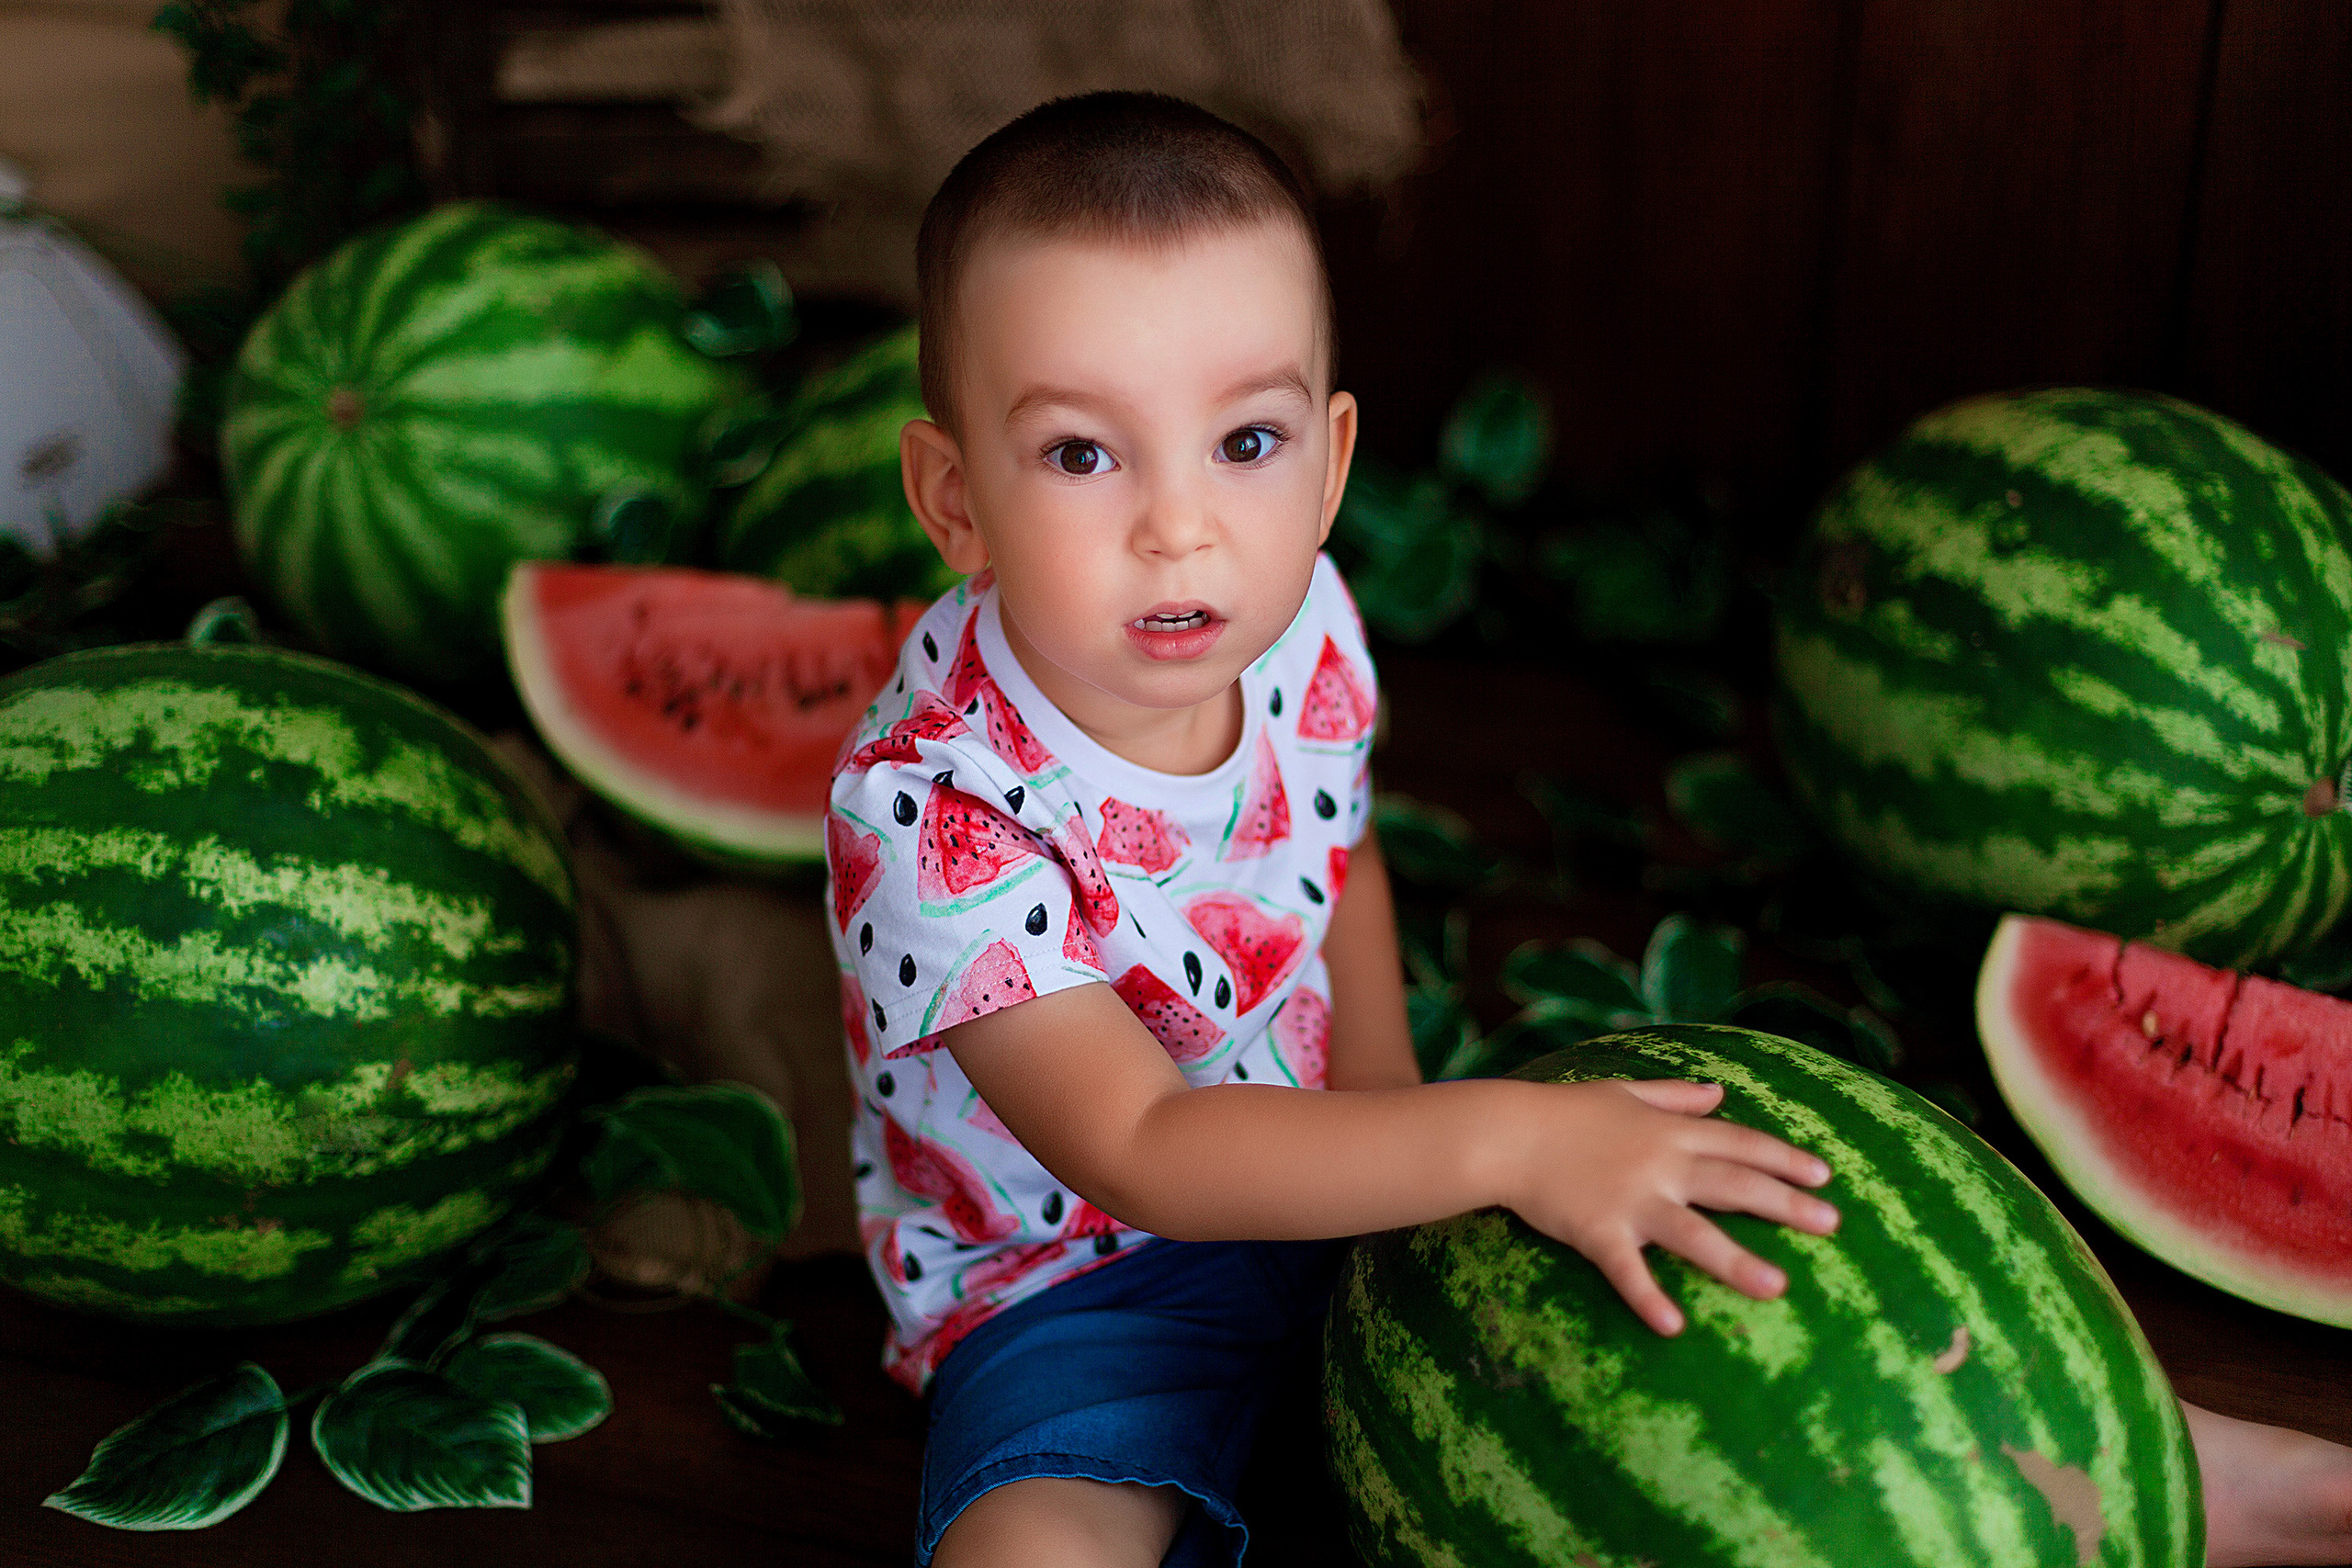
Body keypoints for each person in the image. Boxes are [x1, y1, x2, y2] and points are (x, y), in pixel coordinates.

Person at [826, 90, 2352, 1568]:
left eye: (1246, 443)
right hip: (1080, 1287)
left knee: (1718, 1311)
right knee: (1035, 1539)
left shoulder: (1293, 628)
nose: (1181, 525)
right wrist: (1492, 1136)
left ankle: (2148, 1466)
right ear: (952, 499)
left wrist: (1398, 1130)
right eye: (1083, 454)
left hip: (1357, 1157)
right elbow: (1146, 1148)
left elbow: (1331, 849)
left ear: (1336, 460)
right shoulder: (931, 812)